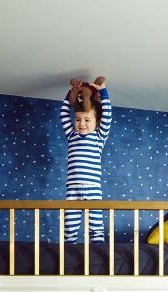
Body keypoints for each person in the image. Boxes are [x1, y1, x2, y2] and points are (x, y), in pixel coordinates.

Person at [59, 76, 112, 242]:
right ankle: (69, 249)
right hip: (72, 189)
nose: (82, 123)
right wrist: (72, 93)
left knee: (96, 226)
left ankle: (98, 250)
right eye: (78, 119)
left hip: (93, 188)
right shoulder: (71, 135)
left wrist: (103, 90)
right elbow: (63, 114)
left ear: (96, 122)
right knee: (69, 226)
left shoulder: (98, 137)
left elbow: (108, 116)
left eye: (87, 120)